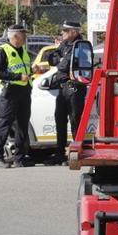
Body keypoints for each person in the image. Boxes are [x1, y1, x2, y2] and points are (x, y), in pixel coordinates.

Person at [45, 21, 87, 166]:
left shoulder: (81, 45)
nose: (62, 33)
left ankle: (76, 152)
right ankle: (59, 153)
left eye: (65, 30)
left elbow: (63, 65)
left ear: (74, 32)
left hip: (75, 88)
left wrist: (61, 60)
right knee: (60, 120)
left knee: (75, 120)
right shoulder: (64, 44)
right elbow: (51, 59)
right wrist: (60, 59)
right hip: (63, 88)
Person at [0, 25, 33, 169]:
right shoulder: (3, 51)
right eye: (23, 34)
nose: (25, 37)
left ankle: (19, 158)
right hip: (10, 93)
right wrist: (18, 76)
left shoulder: (24, 51)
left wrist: (34, 70)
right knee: (5, 124)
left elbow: (26, 69)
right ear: (15, 36)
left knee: (23, 125)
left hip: (25, 92)